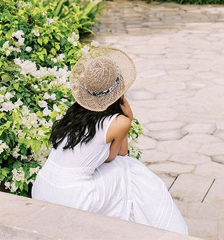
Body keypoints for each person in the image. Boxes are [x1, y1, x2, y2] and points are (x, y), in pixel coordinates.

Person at [31, 47, 188, 234]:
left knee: (125, 172)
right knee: (129, 170)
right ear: (119, 90)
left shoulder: (74, 114)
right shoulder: (118, 122)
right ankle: (160, 228)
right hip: (73, 199)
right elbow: (116, 155)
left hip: (41, 189)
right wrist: (128, 118)